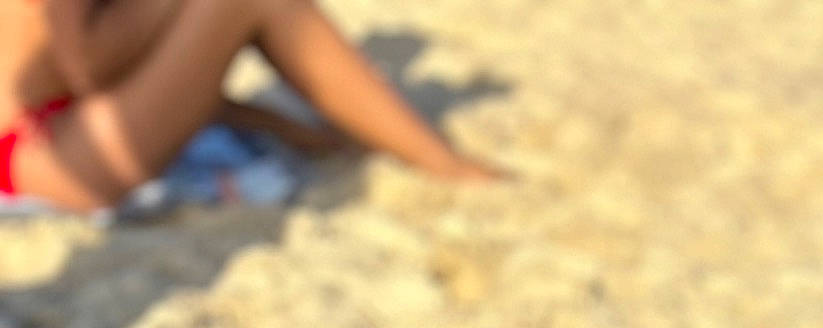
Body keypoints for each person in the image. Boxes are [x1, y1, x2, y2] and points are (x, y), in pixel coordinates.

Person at [0, 0, 497, 211]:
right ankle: (444, 163)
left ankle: (399, 145)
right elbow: (87, 65)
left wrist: (284, 127)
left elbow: (152, 79)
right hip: (41, 154)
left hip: (55, 138)